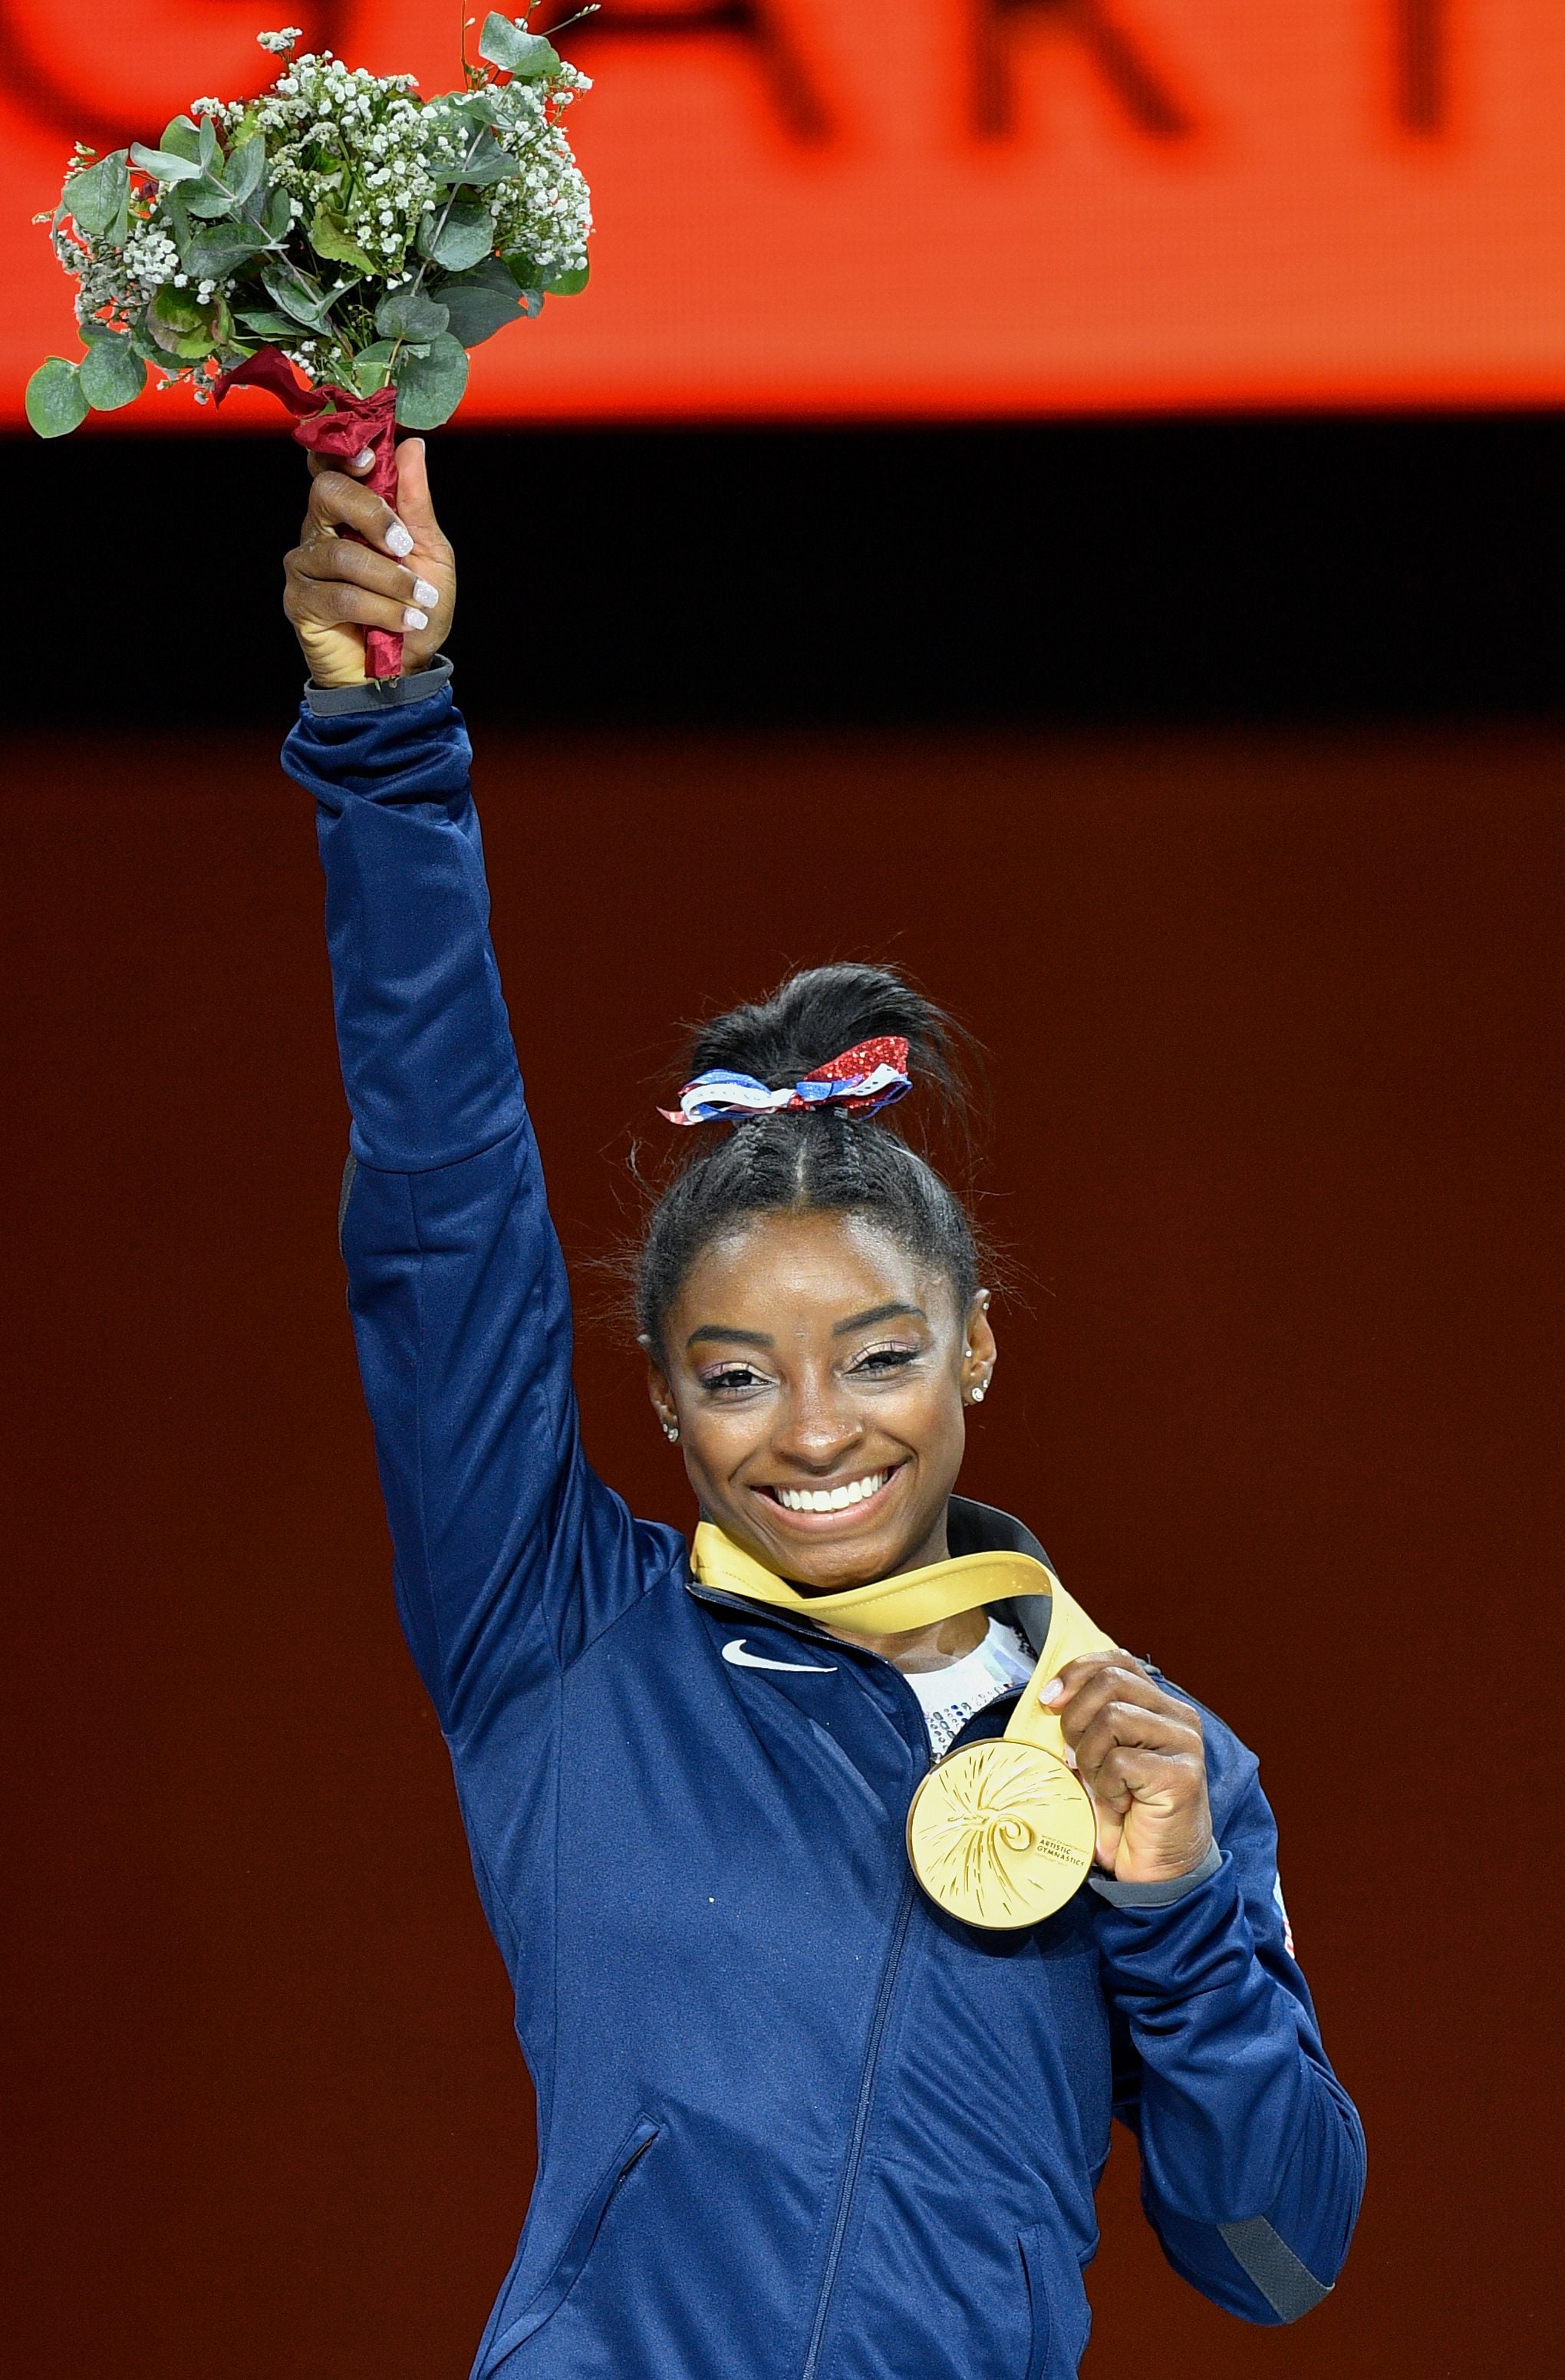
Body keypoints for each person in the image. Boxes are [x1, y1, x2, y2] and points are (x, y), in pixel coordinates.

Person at [278, 444, 1364, 2380]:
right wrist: (389, 742)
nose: (812, 1430)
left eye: (874, 1356)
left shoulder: (1133, 1749)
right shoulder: (565, 1644)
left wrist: (1183, 1911)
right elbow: (440, 1204)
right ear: (667, 1410)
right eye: (733, 1376)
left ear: (976, 1356)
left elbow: (1278, 2255)